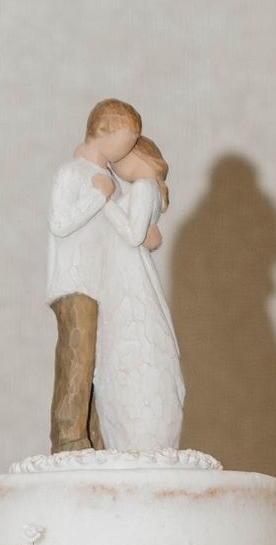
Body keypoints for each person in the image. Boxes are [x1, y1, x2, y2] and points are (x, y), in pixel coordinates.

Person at [46, 98, 142, 453]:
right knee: (78, 355)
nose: (129, 148)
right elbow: (59, 223)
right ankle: (69, 436)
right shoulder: (72, 173)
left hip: (103, 284)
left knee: (98, 366)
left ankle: (95, 438)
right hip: (75, 282)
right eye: (126, 140)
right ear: (105, 132)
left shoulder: (106, 180)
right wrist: (97, 199)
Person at [90, 137, 185, 456]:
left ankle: (139, 433)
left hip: (129, 274)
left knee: (131, 337)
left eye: (120, 159)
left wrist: (104, 201)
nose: (115, 167)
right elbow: (145, 236)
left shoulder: (144, 187)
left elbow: (132, 234)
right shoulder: (145, 190)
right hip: (126, 270)